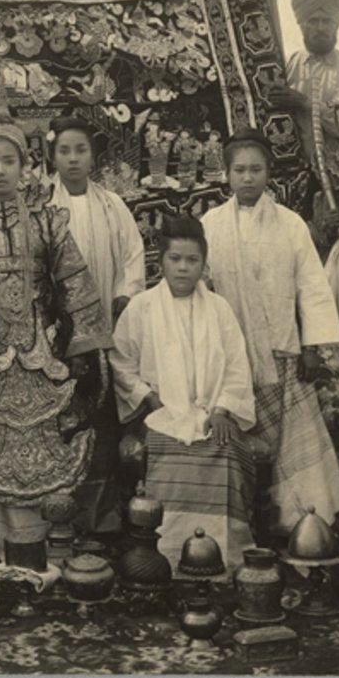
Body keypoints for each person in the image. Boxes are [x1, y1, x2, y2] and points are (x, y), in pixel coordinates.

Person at [0, 104, 112, 560]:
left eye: (9, 161)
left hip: (43, 351)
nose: (0, 170)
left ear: (25, 165)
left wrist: (86, 344)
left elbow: (74, 280)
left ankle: (53, 544)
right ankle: (5, 549)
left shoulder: (46, 219)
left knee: (49, 441)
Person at [201, 131, 339, 535]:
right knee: (241, 444)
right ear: (226, 174)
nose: (248, 178)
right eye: (240, 170)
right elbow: (203, 286)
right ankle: (241, 521)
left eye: (256, 170)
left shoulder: (291, 224)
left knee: (293, 444)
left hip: (283, 352)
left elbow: (311, 287)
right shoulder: (211, 224)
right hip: (233, 357)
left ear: (269, 174)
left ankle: (298, 522)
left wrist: (311, 346)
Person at [110, 216, 257, 570]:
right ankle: (164, 556)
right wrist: (149, 399)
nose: (183, 268)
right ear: (160, 261)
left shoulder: (220, 309)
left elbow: (237, 366)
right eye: (175, 259)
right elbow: (121, 363)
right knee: (165, 446)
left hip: (212, 412)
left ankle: (220, 555)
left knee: (224, 450)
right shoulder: (141, 307)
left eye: (192, 261)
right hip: (161, 411)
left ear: (204, 265)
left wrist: (222, 409)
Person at [48, 115, 145, 535]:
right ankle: (60, 509)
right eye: (65, 151)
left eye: (80, 150)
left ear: (93, 157)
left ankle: (103, 513)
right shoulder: (43, 207)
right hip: (58, 335)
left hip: (106, 327)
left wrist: (125, 295)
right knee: (65, 417)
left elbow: (132, 256)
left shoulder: (113, 205)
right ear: (52, 156)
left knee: (104, 416)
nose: (72, 159)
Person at [269, 0, 339, 254]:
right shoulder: (286, 66)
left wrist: (306, 103)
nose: (321, 28)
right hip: (297, 181)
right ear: (300, 24)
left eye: (327, 21)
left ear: (338, 24)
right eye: (313, 20)